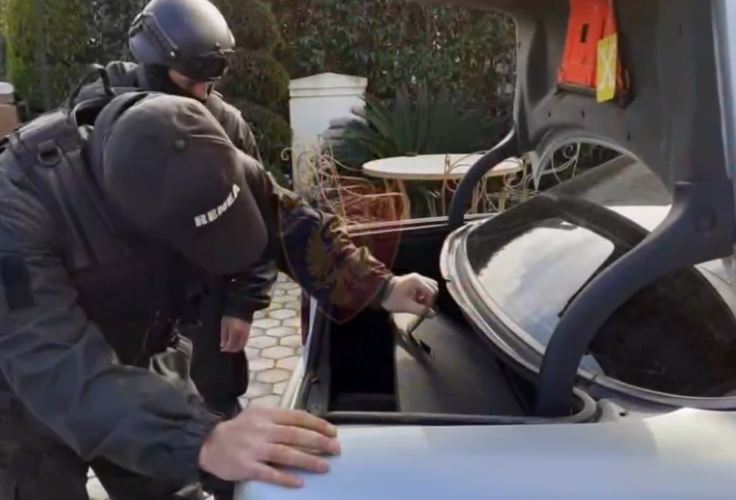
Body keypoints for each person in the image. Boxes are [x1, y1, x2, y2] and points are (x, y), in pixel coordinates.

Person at [0, 91, 438, 498]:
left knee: (173, 485)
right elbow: (54, 365)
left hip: (144, 352)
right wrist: (202, 438)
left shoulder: (201, 158)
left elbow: (292, 224)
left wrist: (381, 286)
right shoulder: (15, 213)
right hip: (29, 393)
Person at [80, 0, 276, 419]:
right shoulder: (94, 115)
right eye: (190, 81)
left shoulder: (227, 125)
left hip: (205, 298)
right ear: (154, 67)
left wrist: (242, 304)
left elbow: (265, 215)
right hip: (126, 300)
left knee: (218, 403)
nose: (202, 95)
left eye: (210, 83)